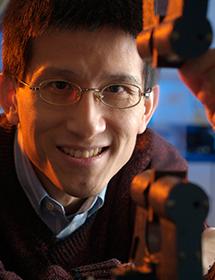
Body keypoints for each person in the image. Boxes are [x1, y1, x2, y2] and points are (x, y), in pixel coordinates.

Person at [0, 0, 213, 279]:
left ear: (146, 110)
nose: (88, 125)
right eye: (59, 86)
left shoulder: (157, 172)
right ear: (11, 97)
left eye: (116, 89)